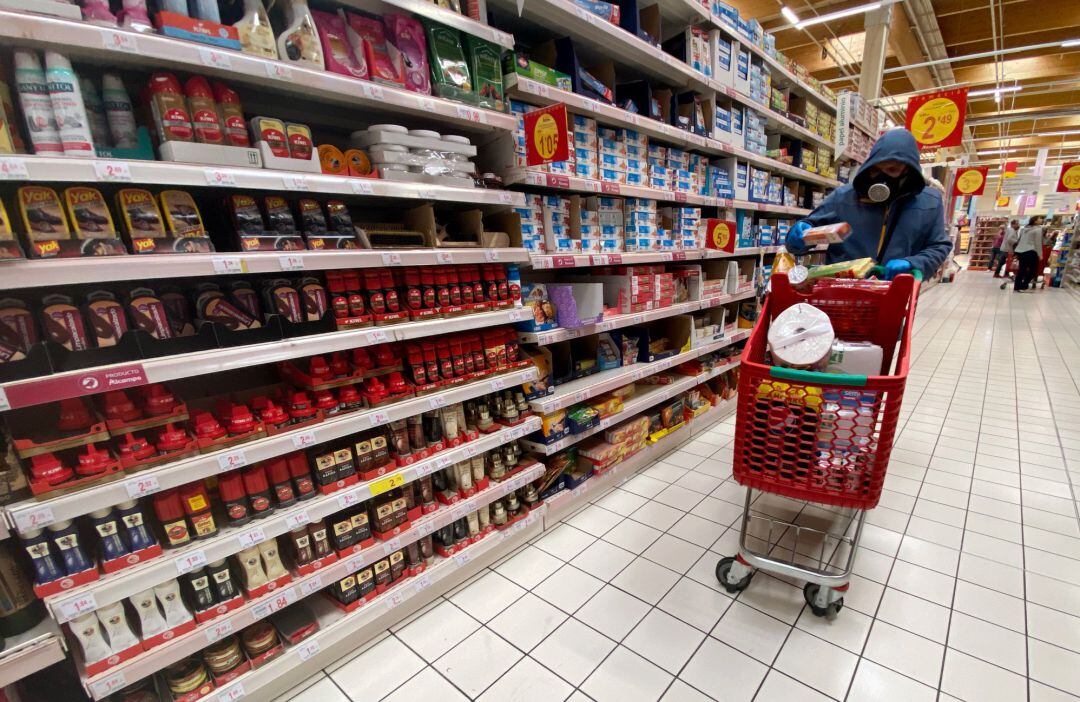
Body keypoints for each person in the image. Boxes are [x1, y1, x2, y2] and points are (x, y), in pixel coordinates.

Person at [785, 128, 952, 280]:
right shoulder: (844, 197)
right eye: (876, 170)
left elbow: (938, 246)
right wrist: (798, 235)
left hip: (894, 293)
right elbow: (805, 234)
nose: (881, 178)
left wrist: (913, 263)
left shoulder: (929, 202)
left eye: (892, 170)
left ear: (908, 171)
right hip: (841, 293)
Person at [1013, 216, 1045, 292]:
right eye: (1039, 218)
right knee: (1033, 271)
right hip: (1031, 251)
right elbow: (1038, 243)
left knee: (1021, 270)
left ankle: (1017, 287)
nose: (1041, 219)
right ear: (1035, 221)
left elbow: (1020, 240)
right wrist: (1040, 254)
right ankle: (1023, 286)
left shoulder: (1024, 229)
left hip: (1021, 251)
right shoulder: (1038, 229)